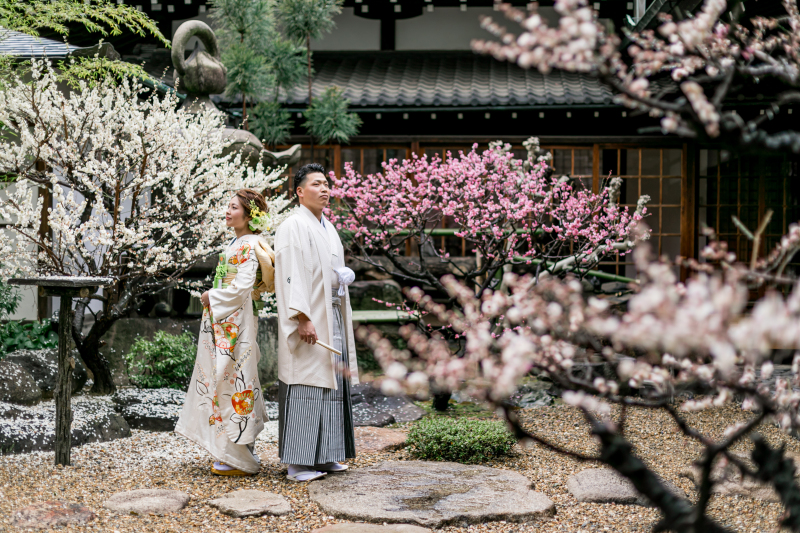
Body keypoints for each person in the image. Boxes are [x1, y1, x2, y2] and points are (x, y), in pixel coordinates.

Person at [175, 188, 276, 476]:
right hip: (225, 321)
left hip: (235, 322)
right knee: (226, 378)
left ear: (249, 214)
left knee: (233, 378)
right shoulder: (237, 242)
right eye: (228, 206)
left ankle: (240, 455)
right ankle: (235, 449)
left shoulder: (249, 244)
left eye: (234, 207)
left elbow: (243, 286)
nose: (228, 211)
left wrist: (213, 296)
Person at [274, 163, 359, 482]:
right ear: (299, 191)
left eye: (326, 184)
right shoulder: (292, 225)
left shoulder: (327, 226)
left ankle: (325, 455)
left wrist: (342, 276)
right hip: (309, 316)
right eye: (316, 184)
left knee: (332, 383)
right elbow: (291, 275)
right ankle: (298, 464)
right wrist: (302, 318)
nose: (325, 189)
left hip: (331, 311)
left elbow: (327, 270)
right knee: (307, 382)